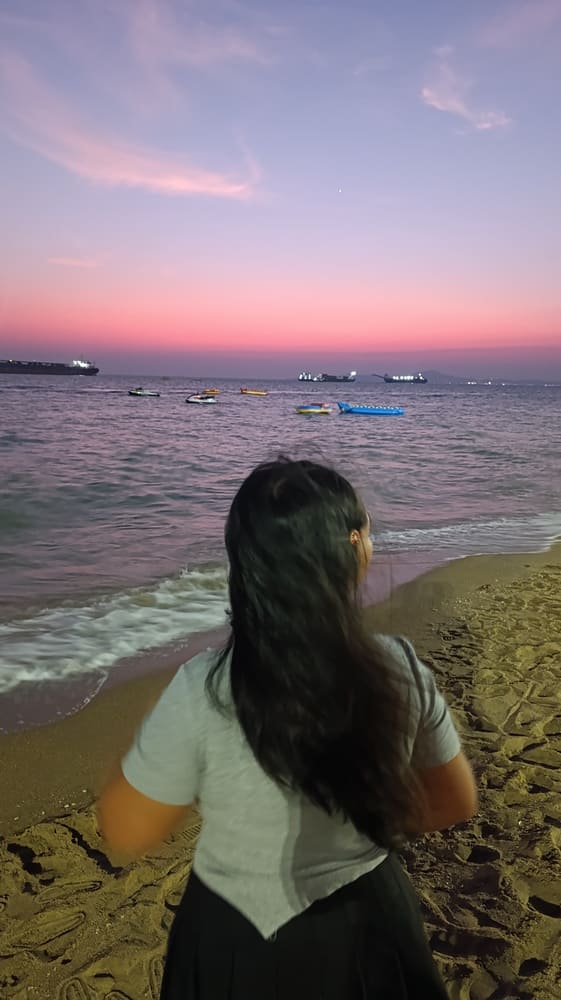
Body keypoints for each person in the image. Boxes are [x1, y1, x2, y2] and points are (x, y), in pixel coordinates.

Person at [97, 457, 477, 999]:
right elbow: (456, 800)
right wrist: (364, 820)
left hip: (235, 930)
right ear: (351, 551)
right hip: (367, 919)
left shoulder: (204, 684)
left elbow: (129, 828)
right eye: (367, 533)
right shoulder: (398, 667)